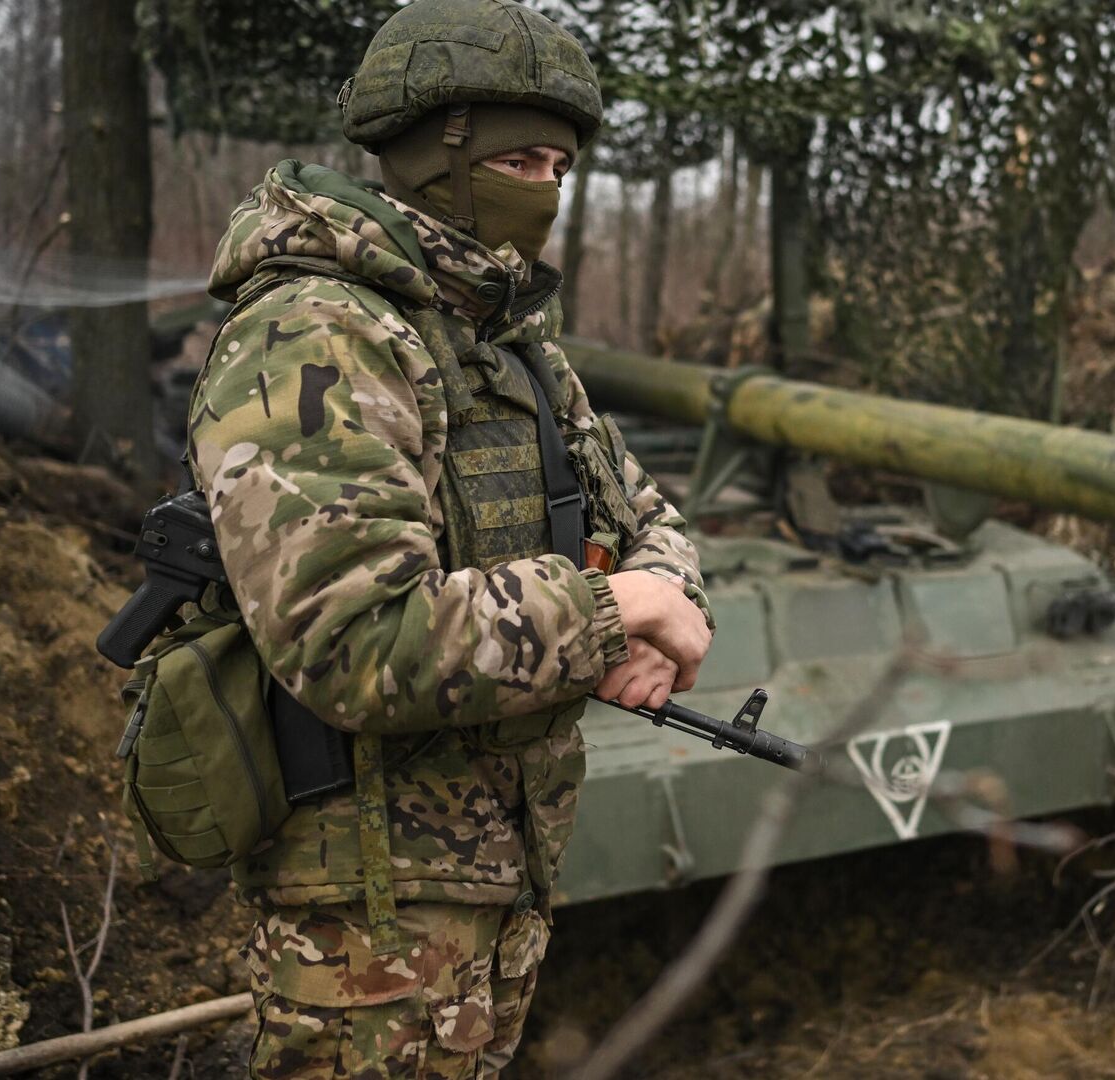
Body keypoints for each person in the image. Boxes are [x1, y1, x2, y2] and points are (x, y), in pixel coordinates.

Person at [185, 1, 712, 1074]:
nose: (548, 193)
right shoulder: (317, 333)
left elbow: (645, 517)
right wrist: (610, 613)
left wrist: (650, 597)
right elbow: (353, 639)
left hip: (497, 872)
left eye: (562, 168)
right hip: (363, 920)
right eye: (520, 160)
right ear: (435, 153)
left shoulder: (504, 339)